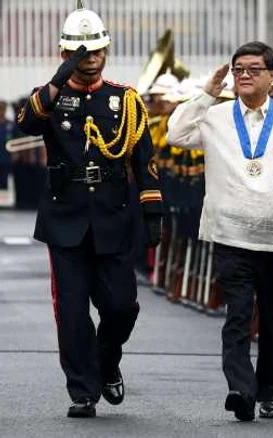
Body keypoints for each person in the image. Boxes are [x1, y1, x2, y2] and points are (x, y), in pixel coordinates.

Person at [166, 41, 273, 421]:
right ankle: (241, 388)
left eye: (254, 68)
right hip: (231, 233)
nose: (244, 74)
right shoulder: (216, 116)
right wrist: (207, 93)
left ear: (272, 75)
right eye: (239, 68)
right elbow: (175, 134)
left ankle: (270, 391)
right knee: (237, 314)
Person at [15, 3, 163, 418]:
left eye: (96, 50)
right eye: (81, 52)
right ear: (65, 55)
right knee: (72, 311)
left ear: (106, 52)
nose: (90, 57)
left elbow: (144, 162)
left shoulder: (125, 100)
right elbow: (27, 122)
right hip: (65, 218)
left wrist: (153, 212)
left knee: (122, 306)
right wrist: (58, 81)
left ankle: (107, 360)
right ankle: (83, 390)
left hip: (114, 217)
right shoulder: (50, 99)